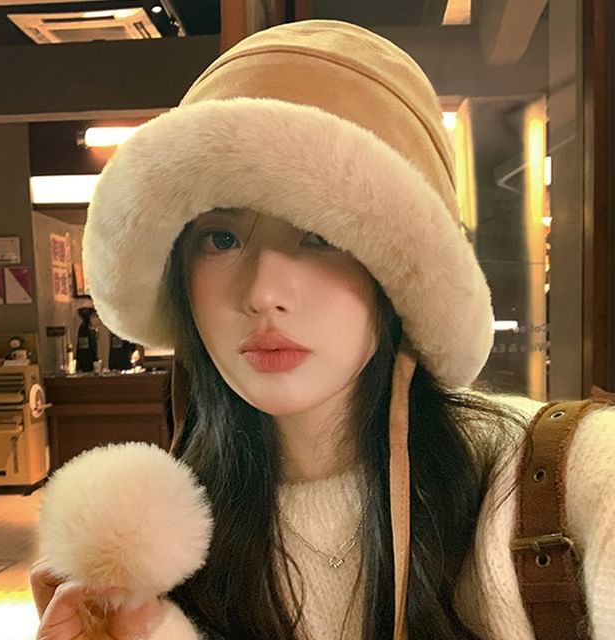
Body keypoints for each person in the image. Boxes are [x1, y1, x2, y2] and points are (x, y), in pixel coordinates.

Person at [31, 19, 615, 640]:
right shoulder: (161, 550)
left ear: (400, 273)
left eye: (321, 236)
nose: (263, 294)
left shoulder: (566, 481)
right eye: (221, 238)